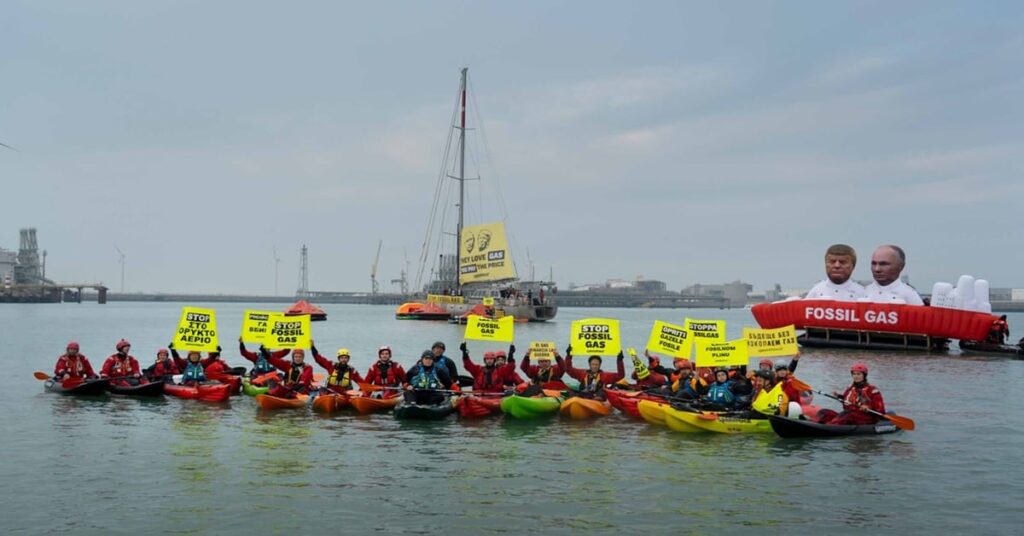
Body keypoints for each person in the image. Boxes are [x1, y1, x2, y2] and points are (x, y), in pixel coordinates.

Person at [821, 362, 886, 425]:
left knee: (847, 414)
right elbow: (847, 403)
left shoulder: (873, 390)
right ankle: (819, 424)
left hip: (865, 418)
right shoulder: (850, 388)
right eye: (854, 374)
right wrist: (839, 397)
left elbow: (880, 411)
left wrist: (868, 409)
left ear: (864, 375)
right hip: (850, 416)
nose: (856, 376)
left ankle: (829, 426)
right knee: (824, 412)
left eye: (858, 374)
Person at [557, 345, 625, 400]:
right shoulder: (582, 373)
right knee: (570, 392)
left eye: (596, 364)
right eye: (593, 364)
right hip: (584, 395)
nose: (594, 366)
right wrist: (569, 355)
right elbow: (569, 370)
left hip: (596, 397)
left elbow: (620, 375)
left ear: (599, 365)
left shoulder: (605, 375)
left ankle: (597, 399)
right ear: (589, 365)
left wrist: (619, 360)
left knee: (605, 389)